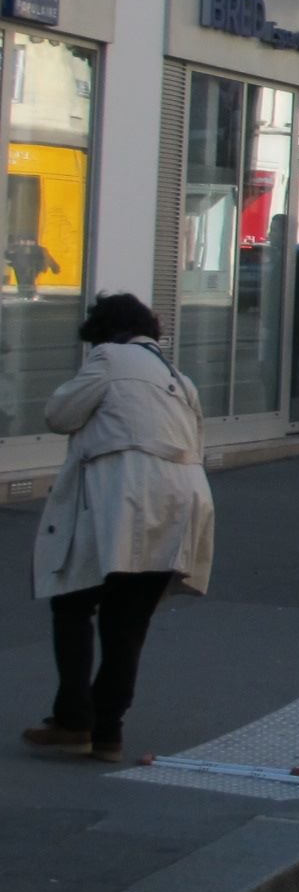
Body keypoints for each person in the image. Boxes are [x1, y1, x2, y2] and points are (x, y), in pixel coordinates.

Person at [24, 294, 215, 763]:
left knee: (72, 602)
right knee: (127, 621)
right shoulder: (180, 378)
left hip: (121, 501)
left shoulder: (109, 358)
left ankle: (74, 719)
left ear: (105, 332)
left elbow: (59, 414)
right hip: (182, 504)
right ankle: (108, 731)